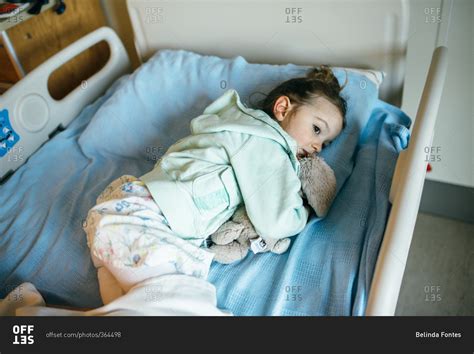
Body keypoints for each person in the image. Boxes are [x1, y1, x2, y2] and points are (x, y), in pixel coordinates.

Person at [79, 65, 347, 315]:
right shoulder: (266, 143)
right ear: (283, 108)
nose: (317, 147)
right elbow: (275, 220)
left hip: (124, 213)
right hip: (146, 220)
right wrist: (302, 211)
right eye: (316, 129)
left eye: (326, 143)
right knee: (188, 302)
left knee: (130, 311)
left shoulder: (235, 127)